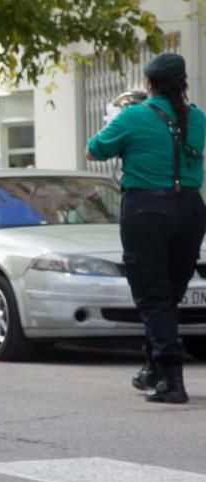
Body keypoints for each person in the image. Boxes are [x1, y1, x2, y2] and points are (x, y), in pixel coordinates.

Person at [87, 52, 206, 404]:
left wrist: (113, 121)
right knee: (169, 295)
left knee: (153, 297)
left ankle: (172, 378)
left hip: (147, 210)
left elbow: (95, 151)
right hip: (190, 208)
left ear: (150, 83)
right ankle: (154, 367)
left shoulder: (134, 116)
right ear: (183, 81)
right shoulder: (198, 117)